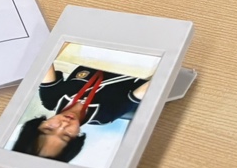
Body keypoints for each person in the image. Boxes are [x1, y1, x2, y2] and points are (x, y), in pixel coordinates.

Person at [11, 63, 149, 161]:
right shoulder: (104, 116)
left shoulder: (50, 99)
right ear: (76, 138)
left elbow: (44, 61)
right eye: (66, 136)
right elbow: (141, 93)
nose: (63, 125)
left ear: (39, 124)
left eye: (48, 129)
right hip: (142, 62)